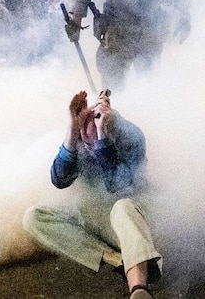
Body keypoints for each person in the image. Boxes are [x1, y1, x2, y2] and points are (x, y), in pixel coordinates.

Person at [23, 90, 162, 299]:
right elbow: (59, 180)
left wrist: (102, 140)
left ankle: (139, 290)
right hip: (100, 218)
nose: (88, 146)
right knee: (34, 217)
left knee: (122, 207)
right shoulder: (78, 138)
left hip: (137, 217)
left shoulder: (131, 137)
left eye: (93, 140)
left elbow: (119, 184)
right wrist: (72, 129)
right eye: (85, 140)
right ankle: (121, 260)